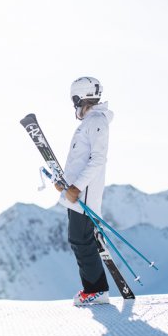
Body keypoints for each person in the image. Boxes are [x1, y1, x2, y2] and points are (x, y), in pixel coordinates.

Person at [55, 76, 113, 306]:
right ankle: (94, 288)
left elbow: (98, 159)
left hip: (84, 193)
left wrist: (77, 187)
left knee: (80, 239)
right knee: (78, 239)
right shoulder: (89, 123)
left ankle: (97, 290)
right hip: (77, 191)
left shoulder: (97, 121)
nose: (74, 106)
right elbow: (80, 161)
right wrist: (65, 184)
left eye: (75, 101)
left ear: (80, 98)